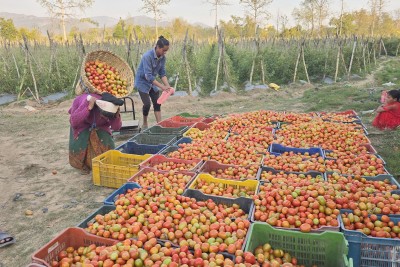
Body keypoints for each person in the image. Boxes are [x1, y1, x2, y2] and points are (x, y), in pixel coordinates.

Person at [69, 91, 123, 173]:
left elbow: (116, 127)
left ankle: (104, 164)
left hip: (100, 126)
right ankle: (83, 165)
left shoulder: (112, 106)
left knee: (106, 145)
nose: (105, 116)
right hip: (82, 125)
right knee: (82, 145)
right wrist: (89, 108)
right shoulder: (86, 100)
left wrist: (116, 116)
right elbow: (74, 121)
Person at [135, 35, 173, 129]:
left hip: (152, 82)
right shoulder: (147, 56)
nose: (165, 53)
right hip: (142, 81)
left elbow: (162, 73)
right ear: (158, 47)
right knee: (147, 104)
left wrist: (168, 87)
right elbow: (148, 76)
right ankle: (145, 123)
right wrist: (162, 87)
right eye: (164, 50)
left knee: (157, 102)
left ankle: (159, 125)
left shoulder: (163, 58)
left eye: (166, 51)